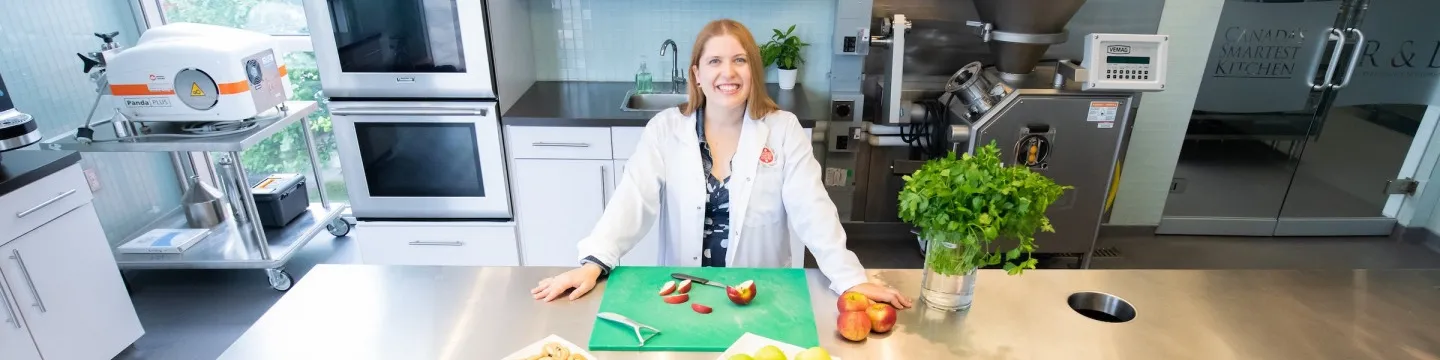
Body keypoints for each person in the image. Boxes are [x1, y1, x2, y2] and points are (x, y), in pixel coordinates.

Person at [531, 19, 912, 309]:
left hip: (760, 294)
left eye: (739, 60)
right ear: (696, 73)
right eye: (714, 61)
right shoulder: (665, 130)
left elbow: (813, 210)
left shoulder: (783, 130)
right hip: (682, 289)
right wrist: (594, 262)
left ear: (753, 71)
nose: (727, 73)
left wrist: (849, 278)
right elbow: (632, 199)